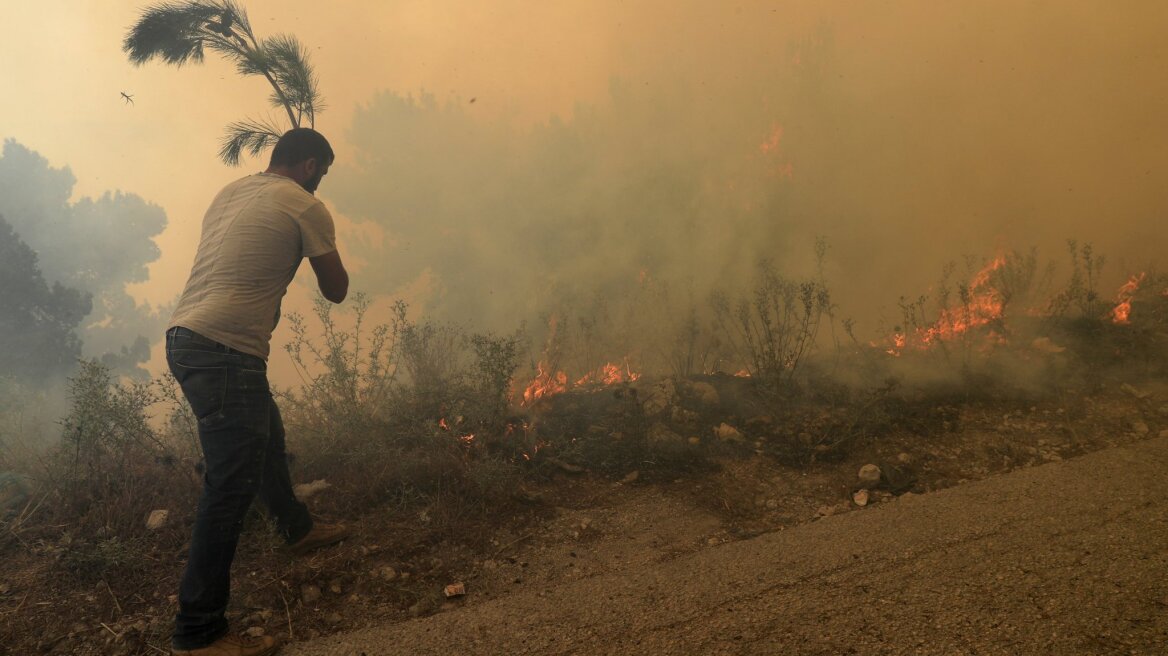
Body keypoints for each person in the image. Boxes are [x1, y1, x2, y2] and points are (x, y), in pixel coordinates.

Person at [165, 128, 350, 656]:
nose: (321, 185)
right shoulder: (304, 205)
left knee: (265, 433)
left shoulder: (231, 192)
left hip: (186, 336)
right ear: (311, 165)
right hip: (225, 348)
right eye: (324, 174)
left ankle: (296, 529)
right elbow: (336, 291)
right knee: (229, 487)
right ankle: (198, 634)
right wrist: (323, 237)